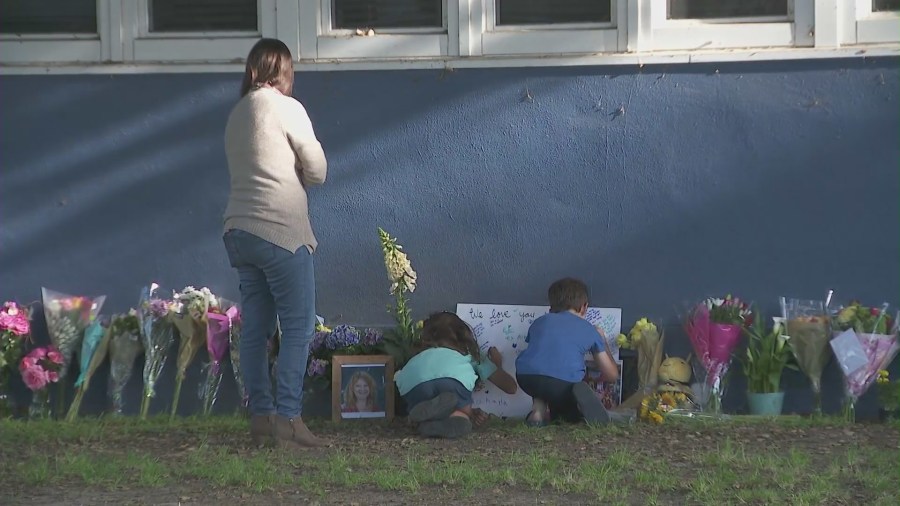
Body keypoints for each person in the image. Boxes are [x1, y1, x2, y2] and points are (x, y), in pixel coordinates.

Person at [222, 38, 328, 449]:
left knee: (256, 329)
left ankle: (262, 418)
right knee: (298, 326)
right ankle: (289, 419)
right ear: (280, 72)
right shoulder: (287, 107)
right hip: (280, 231)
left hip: (239, 231)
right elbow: (317, 169)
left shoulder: (236, 113)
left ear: (250, 71)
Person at [395, 312, 518, 439]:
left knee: (444, 403)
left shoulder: (418, 355)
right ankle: (460, 416)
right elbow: (510, 387)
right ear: (462, 335)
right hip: (452, 381)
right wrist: (497, 364)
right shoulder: (467, 353)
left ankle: (426, 423)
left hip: (413, 385)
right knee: (462, 411)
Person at [515, 278, 619, 426]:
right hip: (562, 383)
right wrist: (602, 339)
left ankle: (538, 412)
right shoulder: (589, 329)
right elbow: (611, 375)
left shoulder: (539, 322)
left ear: (551, 308)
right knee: (568, 391)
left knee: (543, 379)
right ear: (584, 307)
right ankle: (576, 415)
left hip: (526, 377)